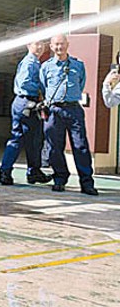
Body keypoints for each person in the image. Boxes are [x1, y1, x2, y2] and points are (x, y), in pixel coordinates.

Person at [39, 34, 98, 195]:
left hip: (73, 109)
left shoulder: (78, 65)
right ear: (51, 47)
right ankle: (60, 178)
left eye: (62, 44)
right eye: (56, 44)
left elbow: (81, 83)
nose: (59, 47)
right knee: (54, 147)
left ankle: (86, 183)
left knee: (80, 146)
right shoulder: (46, 67)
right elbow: (44, 87)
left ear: (67, 45)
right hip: (54, 110)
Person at [0, 40, 52, 186]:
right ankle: (17, 171)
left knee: (27, 139)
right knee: (27, 139)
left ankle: (27, 171)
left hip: (22, 102)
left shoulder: (33, 62)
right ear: (28, 45)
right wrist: (44, 89)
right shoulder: (30, 62)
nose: (40, 47)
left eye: (42, 44)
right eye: (37, 44)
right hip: (27, 102)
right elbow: (25, 83)